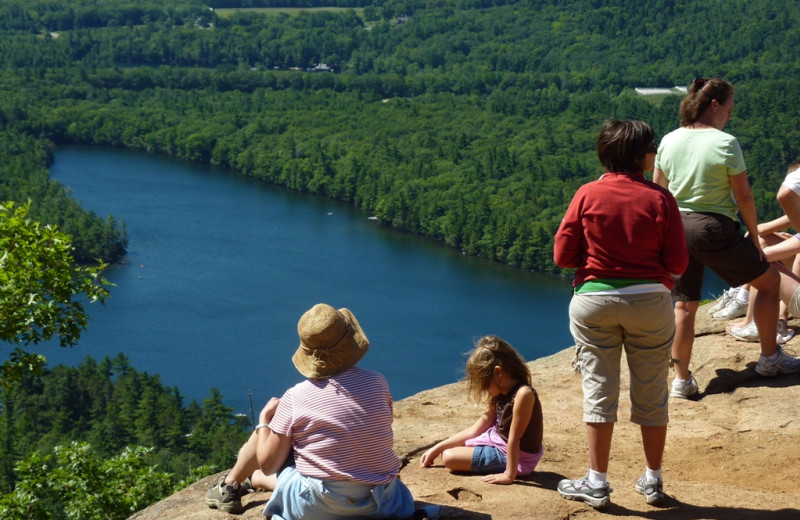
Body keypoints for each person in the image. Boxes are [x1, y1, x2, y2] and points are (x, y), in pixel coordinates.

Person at [553, 119, 688, 508]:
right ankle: (653, 480)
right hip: (650, 302)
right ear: (638, 156)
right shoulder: (660, 198)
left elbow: (563, 256)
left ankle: (596, 482)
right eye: (652, 147)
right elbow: (678, 261)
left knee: (599, 388)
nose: (655, 153)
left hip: (594, 302)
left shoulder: (587, 194)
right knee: (651, 390)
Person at [205, 303, 428, 519]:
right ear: (349, 340)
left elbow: (269, 464)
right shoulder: (378, 382)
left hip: (318, 508)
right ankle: (253, 480)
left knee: (275, 433)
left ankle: (228, 487)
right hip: (381, 503)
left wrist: (264, 419)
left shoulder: (296, 396)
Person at [653, 78, 800, 399]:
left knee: (684, 307)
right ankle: (769, 358)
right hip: (713, 228)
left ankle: (681, 381)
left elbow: (659, 192)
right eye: (729, 108)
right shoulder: (725, 142)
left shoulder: (669, 140)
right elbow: (744, 196)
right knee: (769, 282)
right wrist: (752, 236)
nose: (731, 115)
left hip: (676, 228)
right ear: (714, 105)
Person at [419, 335, 544, 485]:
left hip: (517, 456)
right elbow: (476, 429)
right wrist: (437, 447)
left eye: (484, 384)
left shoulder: (523, 394)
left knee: (449, 457)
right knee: (447, 450)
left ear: (498, 373)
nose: (484, 390)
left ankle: (508, 468)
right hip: (497, 444)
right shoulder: (502, 392)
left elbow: (514, 438)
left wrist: (509, 475)